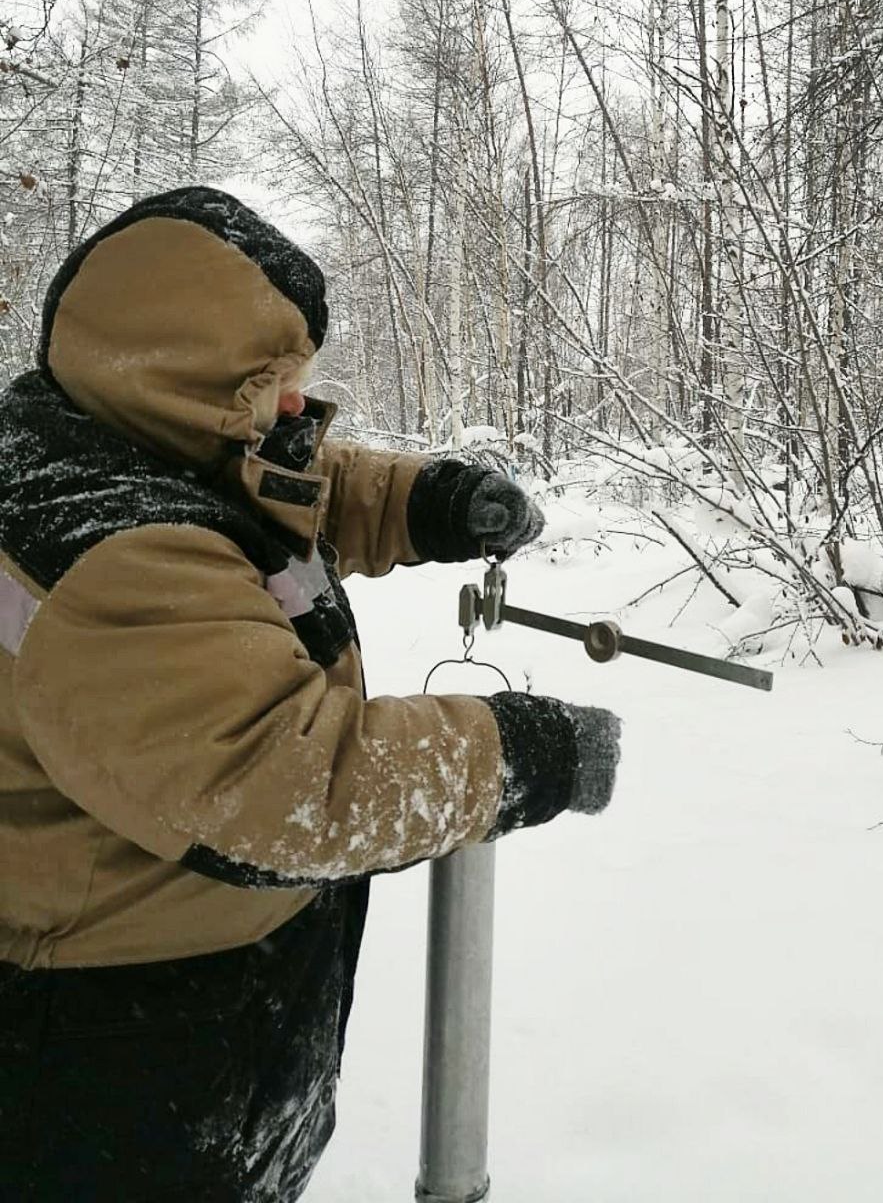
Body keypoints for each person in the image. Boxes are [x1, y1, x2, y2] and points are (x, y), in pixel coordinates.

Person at [0, 186, 621, 1202]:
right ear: (174, 368)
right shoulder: (111, 549)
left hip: (170, 997)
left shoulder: (101, 437)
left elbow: (287, 486)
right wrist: (517, 754)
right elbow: (283, 781)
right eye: (268, 379)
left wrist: (430, 502)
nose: (292, 403)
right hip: (115, 1051)